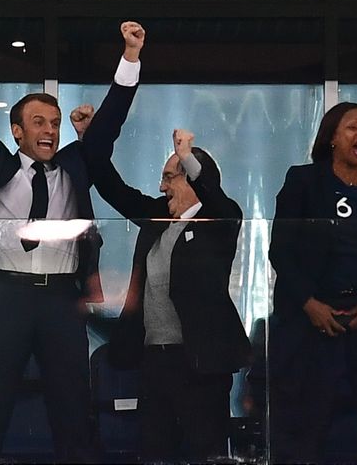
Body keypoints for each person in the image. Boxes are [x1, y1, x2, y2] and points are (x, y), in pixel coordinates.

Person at [0, 11, 144, 463]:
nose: (50, 131)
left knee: (72, 405)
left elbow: (107, 127)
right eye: (39, 123)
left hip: (60, 301)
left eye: (54, 123)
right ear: (17, 130)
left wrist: (130, 58)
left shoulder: (74, 166)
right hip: (4, 295)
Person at [83, 125, 252, 462]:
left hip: (200, 363)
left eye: (169, 177)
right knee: (154, 450)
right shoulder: (159, 217)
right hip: (155, 360)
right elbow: (114, 190)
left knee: (207, 451)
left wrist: (187, 155)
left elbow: (213, 194)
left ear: (191, 179)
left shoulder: (219, 219)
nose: (161, 186)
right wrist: (92, 139)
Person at [268, 102, 357, 463]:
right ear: (332, 137)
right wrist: (310, 304)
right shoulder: (302, 181)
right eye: (353, 128)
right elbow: (280, 252)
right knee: (307, 428)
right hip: (313, 317)